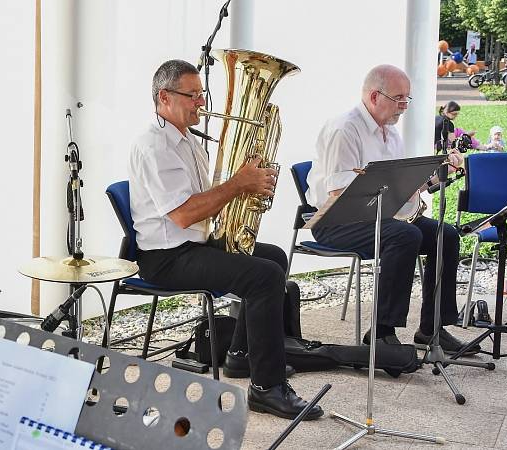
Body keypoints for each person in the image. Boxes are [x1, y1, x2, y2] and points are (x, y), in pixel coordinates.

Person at [128, 59, 322, 420]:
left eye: (201, 93)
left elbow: (210, 198)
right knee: (264, 277)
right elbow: (184, 214)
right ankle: (267, 388)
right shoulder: (155, 147)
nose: (202, 102)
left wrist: (250, 182)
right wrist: (239, 184)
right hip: (167, 258)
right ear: (164, 97)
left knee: (275, 258)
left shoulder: (186, 140)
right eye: (193, 95)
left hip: (194, 244)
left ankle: (241, 356)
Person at [306, 64, 480, 355]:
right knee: (405, 235)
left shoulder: (390, 132)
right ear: (375, 96)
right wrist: (397, 192)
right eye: (399, 98)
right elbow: (341, 193)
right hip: (335, 220)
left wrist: (435, 176)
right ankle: (382, 332)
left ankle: (432, 328)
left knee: (445, 234)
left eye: (407, 98)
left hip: (380, 216)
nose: (404, 106)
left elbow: (397, 189)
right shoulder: (344, 129)